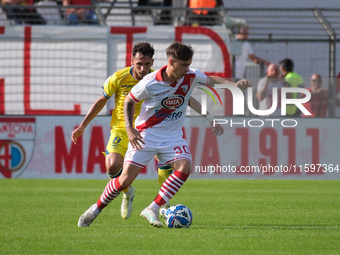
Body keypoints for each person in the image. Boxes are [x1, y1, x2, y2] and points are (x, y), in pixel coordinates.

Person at [77, 42, 251, 228]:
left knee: (185, 167)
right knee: (124, 180)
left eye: (189, 64)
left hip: (172, 136)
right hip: (146, 135)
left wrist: (234, 85)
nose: (187, 69)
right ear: (171, 62)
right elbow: (128, 101)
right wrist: (130, 129)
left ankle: (153, 208)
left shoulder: (190, 75)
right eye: (184, 65)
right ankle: (95, 209)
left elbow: (212, 79)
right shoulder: (150, 82)